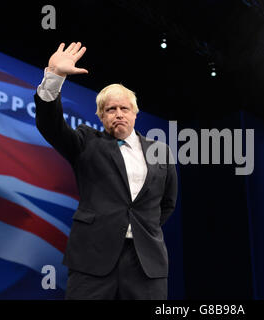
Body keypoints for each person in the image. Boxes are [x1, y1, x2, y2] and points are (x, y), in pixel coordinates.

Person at [34, 42, 178, 299]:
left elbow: (167, 203)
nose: (119, 114)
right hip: (92, 259)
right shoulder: (86, 142)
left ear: (135, 114)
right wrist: (55, 76)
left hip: (146, 264)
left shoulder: (161, 151)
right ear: (101, 116)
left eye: (124, 108)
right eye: (111, 109)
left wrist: (142, 226)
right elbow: (50, 125)